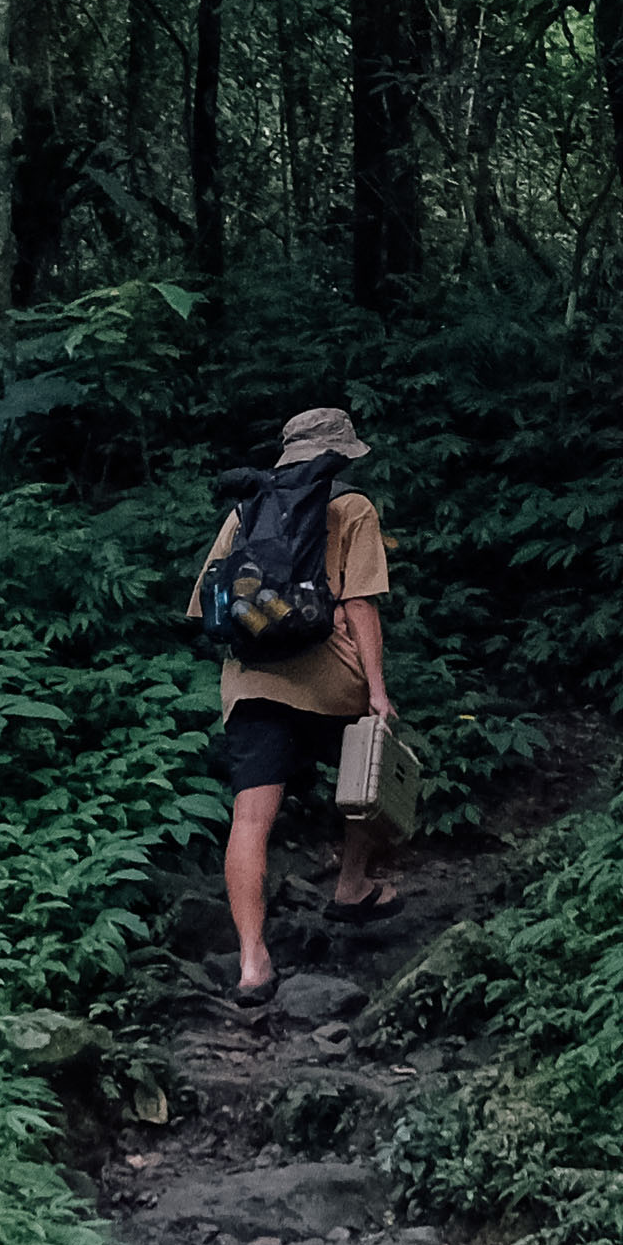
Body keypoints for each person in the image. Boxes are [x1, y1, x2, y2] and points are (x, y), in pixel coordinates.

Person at [195, 405, 397, 1002]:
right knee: (374, 774)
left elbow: (208, 605)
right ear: (338, 455)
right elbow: (361, 604)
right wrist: (379, 692)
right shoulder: (351, 507)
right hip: (333, 681)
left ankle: (253, 962)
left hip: (252, 681)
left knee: (251, 817)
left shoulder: (245, 509)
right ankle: (352, 885)